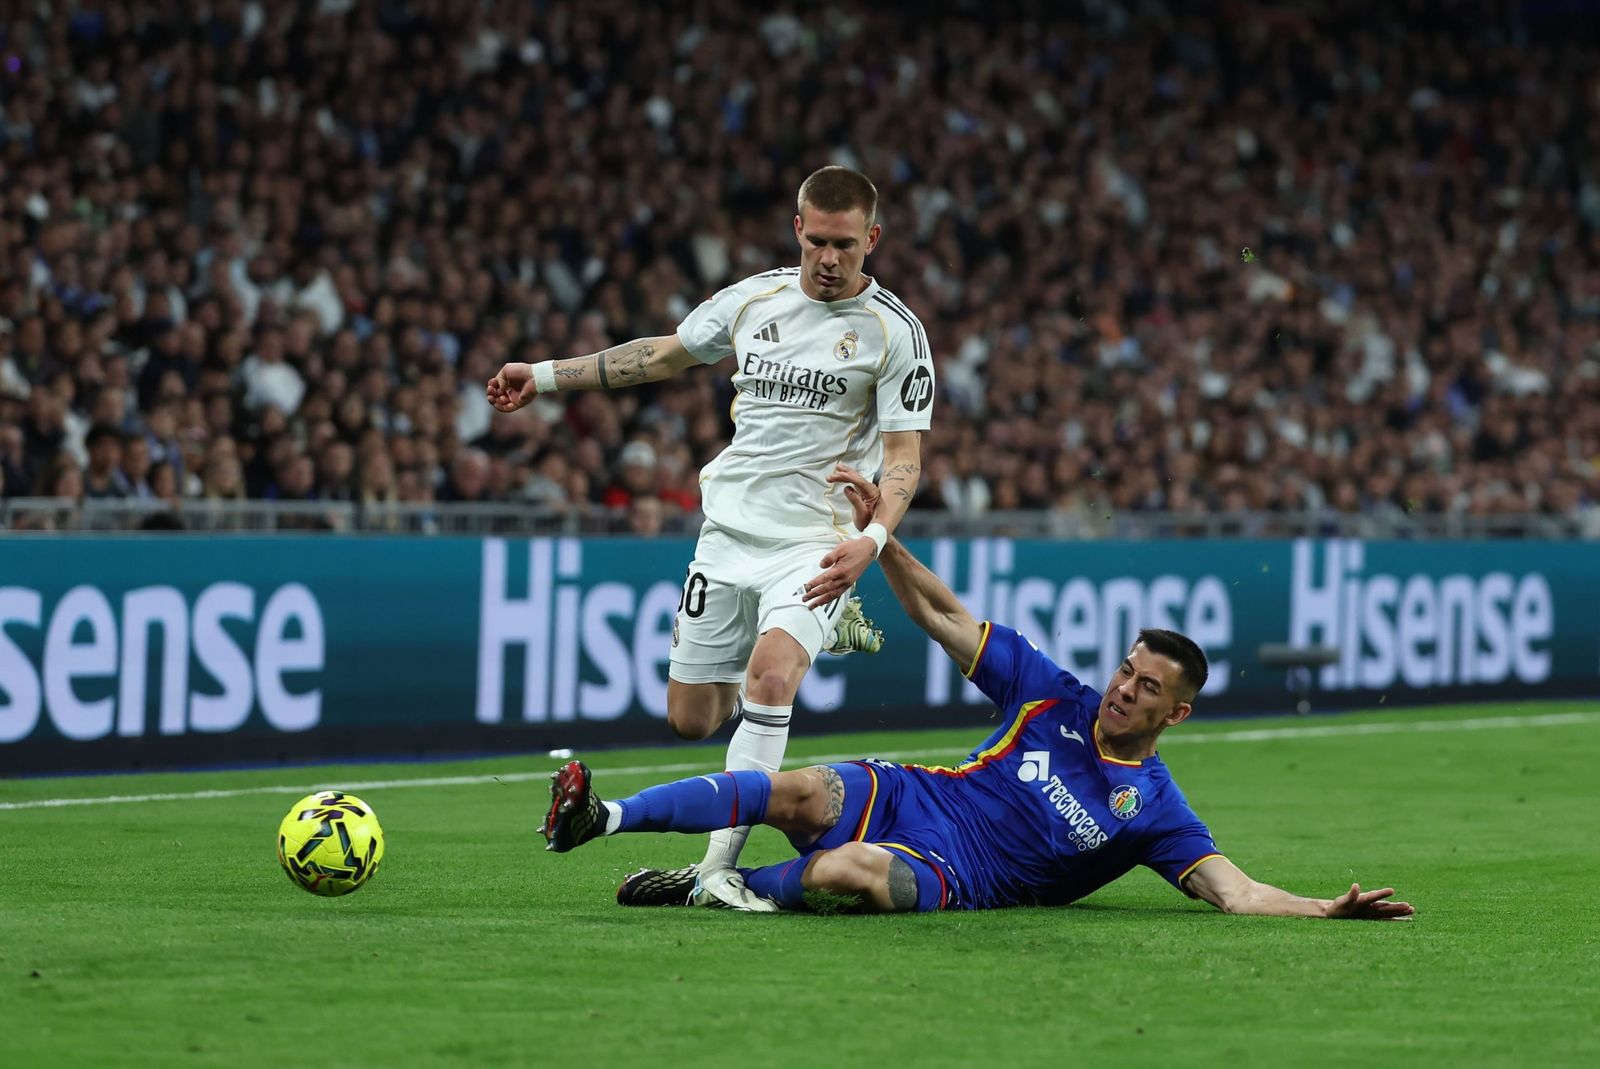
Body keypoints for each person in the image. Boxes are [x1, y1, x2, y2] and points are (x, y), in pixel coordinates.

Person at [539, 465, 1415, 921]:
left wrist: (1323, 907)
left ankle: (714, 887)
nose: (1122, 689)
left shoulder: (1154, 809)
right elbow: (943, 614)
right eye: (1125, 669)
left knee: (846, 869)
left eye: (1145, 687)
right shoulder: (1053, 694)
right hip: (916, 794)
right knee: (793, 788)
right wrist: (880, 539)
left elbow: (1237, 892)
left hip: (958, 873)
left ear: (1175, 713)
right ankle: (604, 818)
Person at [489, 166, 932, 907]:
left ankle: (715, 870)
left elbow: (904, 458)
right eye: (818, 242)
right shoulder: (752, 300)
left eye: (846, 245)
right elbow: (663, 354)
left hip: (815, 543)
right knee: (691, 718)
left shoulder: (895, 332)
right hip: (727, 536)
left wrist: (874, 540)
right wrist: (545, 375)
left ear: (873, 239)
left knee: (771, 678)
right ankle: (812, 645)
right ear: (798, 229)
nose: (829, 258)